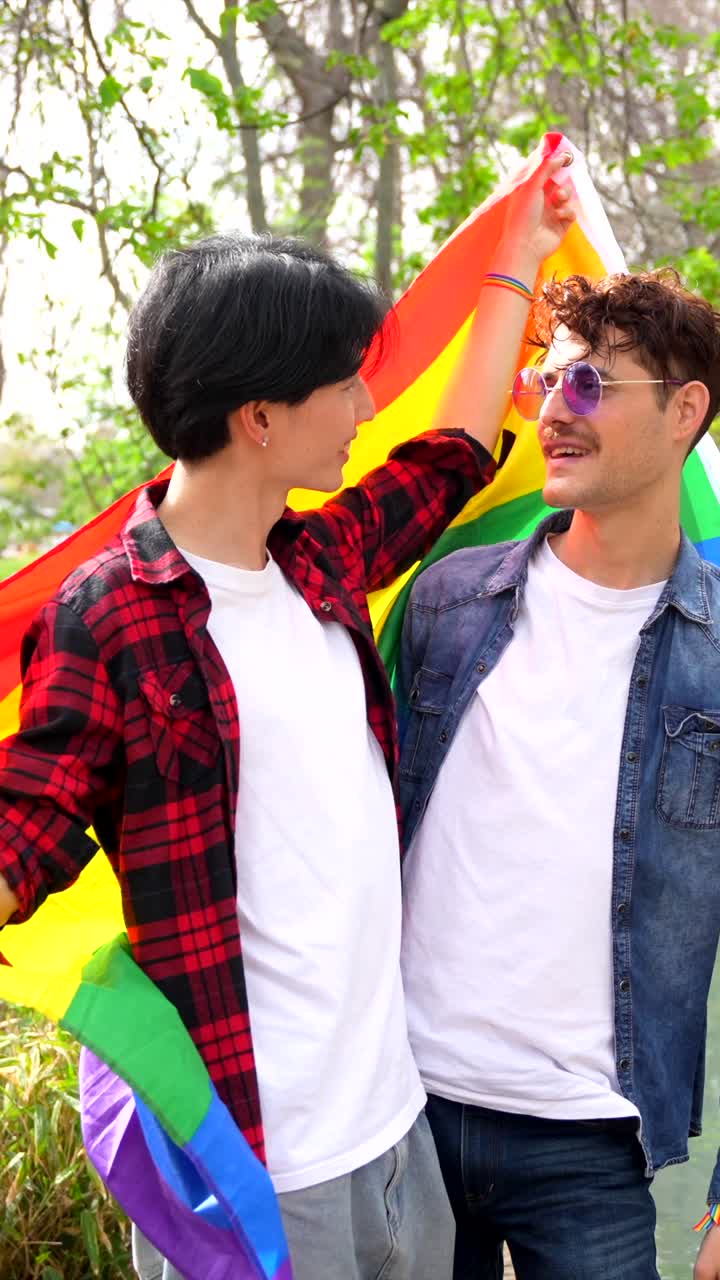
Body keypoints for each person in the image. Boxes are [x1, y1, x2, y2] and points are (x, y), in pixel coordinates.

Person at [0, 147, 574, 1279]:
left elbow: (450, 455)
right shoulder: (110, 618)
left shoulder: (317, 558)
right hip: (258, 1174)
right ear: (259, 415)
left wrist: (517, 254)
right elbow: (24, 831)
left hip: (399, 1141)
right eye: (345, 382)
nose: (368, 403)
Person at [396, 266, 720, 1280]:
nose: (551, 412)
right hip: (399, 1114)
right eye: (546, 384)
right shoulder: (447, 601)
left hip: (590, 1141)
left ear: (685, 410)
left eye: (588, 385)